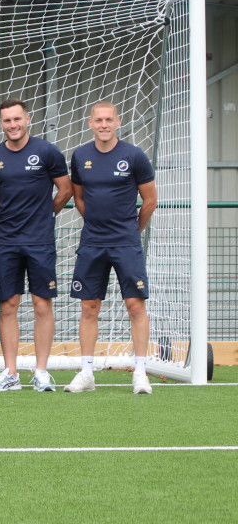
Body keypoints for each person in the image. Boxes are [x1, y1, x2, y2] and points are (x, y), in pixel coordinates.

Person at [66, 100, 157, 395]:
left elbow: (150, 200)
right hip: (92, 242)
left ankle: (140, 373)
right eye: (99, 120)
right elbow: (79, 198)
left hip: (126, 242)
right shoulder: (80, 156)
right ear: (90, 123)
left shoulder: (134, 155)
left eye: (109, 120)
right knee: (88, 307)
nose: (104, 125)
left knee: (135, 305)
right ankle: (86, 373)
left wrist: (132, 231)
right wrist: (96, 224)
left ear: (118, 122)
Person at [0, 98, 72, 392]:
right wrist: (11, 210)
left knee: (41, 303)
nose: (13, 125)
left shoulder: (47, 152)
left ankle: (41, 371)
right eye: (7, 120)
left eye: (17, 119)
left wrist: (46, 213)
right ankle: (10, 372)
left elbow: (66, 189)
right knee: (8, 305)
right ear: (1, 123)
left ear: (27, 119)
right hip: (7, 240)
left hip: (40, 240)